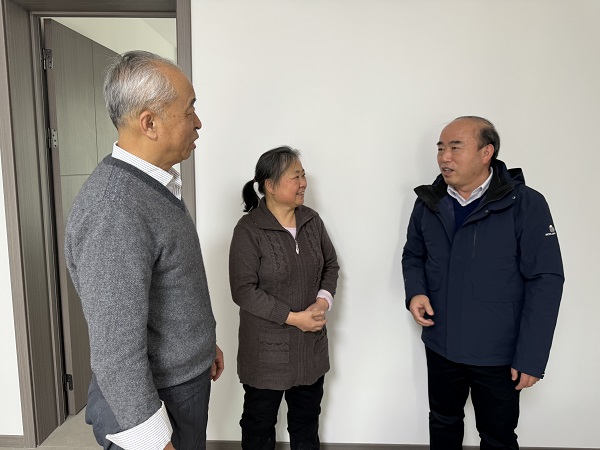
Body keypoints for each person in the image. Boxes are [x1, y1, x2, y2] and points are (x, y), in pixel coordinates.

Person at [64, 50, 224, 450]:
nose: (198, 122)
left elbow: (170, 289)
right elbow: (115, 351)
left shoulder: (150, 187)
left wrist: (202, 346)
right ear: (149, 123)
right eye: (189, 110)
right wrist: (154, 442)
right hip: (156, 403)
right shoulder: (115, 208)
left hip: (180, 384)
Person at [402, 116, 564, 450]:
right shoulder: (429, 202)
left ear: (486, 152)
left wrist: (532, 357)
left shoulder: (526, 204)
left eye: (455, 148)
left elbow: (545, 280)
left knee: (497, 437)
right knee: (443, 424)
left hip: (498, 354)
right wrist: (416, 291)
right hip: (441, 344)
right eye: (441, 148)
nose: (445, 157)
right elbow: (413, 254)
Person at [229, 146, 339, 450]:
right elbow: (243, 290)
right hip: (266, 354)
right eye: (295, 177)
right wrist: (293, 318)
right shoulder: (249, 230)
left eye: (303, 175)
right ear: (270, 185)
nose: (303, 183)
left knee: (306, 424)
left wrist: (322, 301)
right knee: (259, 426)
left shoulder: (312, 221)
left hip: (310, 349)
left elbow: (331, 265)